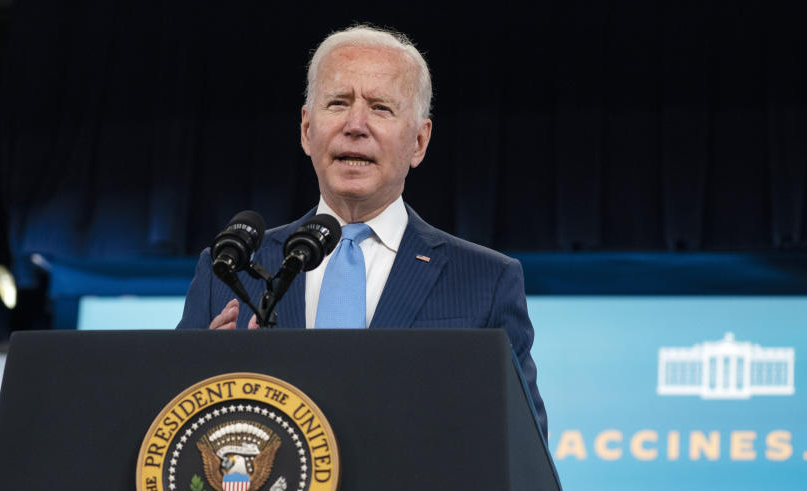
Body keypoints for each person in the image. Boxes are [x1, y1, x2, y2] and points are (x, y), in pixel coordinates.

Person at [177, 25, 548, 438]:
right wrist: (200, 378)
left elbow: (522, 452)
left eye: (381, 108)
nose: (355, 125)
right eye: (337, 103)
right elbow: (168, 425)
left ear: (419, 142)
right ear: (306, 130)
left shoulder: (487, 280)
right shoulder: (228, 269)